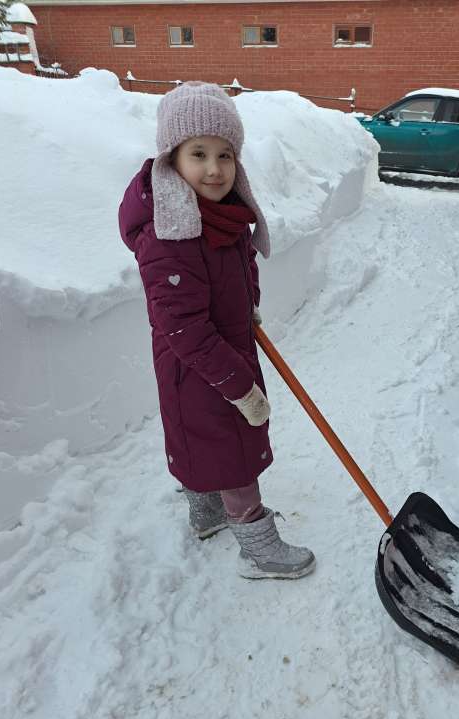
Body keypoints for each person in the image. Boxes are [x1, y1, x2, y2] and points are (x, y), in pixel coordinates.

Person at [118, 81, 315, 580]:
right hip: (199, 368)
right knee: (233, 452)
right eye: (198, 153)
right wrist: (240, 387)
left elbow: (241, 265)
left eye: (225, 155)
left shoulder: (220, 216)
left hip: (222, 351)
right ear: (171, 159)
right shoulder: (171, 234)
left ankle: (205, 515)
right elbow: (182, 328)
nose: (213, 168)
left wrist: (249, 307)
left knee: (207, 445)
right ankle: (258, 547)